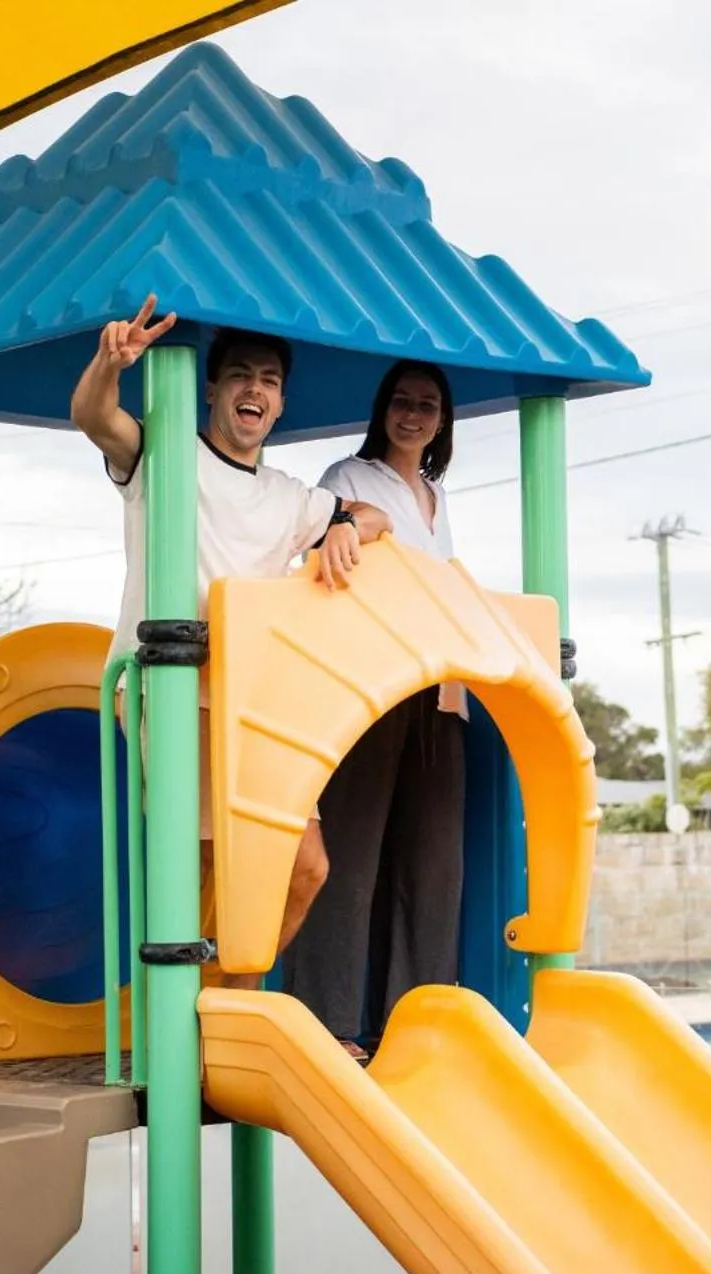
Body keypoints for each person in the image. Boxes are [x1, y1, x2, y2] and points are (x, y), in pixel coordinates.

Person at [71, 297, 392, 1002]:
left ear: (278, 405)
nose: (255, 389)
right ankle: (194, 1012)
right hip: (173, 684)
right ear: (211, 390)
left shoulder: (287, 496)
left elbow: (377, 515)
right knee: (220, 862)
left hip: (253, 694)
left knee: (304, 866)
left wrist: (346, 527)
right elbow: (95, 418)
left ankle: (228, 999)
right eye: (241, 376)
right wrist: (110, 364)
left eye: (269, 380)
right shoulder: (164, 452)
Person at [286, 361, 465, 1055]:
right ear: (381, 409)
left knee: (432, 863)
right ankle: (326, 1023)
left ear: (441, 420)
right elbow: (330, 561)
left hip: (438, 685)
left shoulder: (437, 494)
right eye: (401, 401)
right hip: (370, 682)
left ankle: (416, 1020)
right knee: (351, 856)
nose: (412, 414)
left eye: (425, 404)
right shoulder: (348, 479)